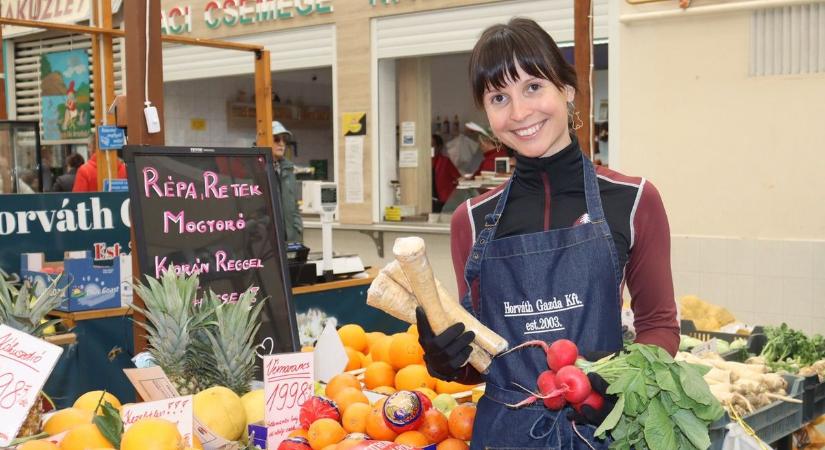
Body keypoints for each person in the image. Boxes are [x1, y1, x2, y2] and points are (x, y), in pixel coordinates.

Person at [414, 18, 678, 449]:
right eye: (500, 97)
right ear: (487, 113)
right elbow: (479, 361)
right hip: (504, 435)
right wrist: (446, 359)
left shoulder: (632, 200)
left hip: (602, 431)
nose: (519, 112)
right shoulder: (471, 220)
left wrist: (620, 385)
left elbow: (659, 326)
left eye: (533, 87)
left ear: (567, 90)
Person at [271, 121, 303, 243]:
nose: (282, 144)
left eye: (284, 140)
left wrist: (297, 231)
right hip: (267, 244)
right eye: (276, 139)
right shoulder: (255, 170)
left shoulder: (288, 169)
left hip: (290, 240)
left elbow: (295, 206)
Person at [431, 134, 461, 212]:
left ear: (439, 147)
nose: (429, 148)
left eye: (432, 145)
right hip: (427, 201)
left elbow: (458, 178)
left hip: (442, 201)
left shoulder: (445, 161)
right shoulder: (423, 162)